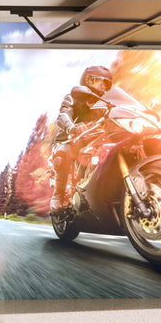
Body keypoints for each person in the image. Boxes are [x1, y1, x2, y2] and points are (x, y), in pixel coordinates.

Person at [50, 65, 113, 212]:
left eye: (106, 83)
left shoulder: (107, 102)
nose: (102, 85)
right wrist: (72, 127)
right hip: (69, 139)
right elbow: (63, 116)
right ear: (87, 81)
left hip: (95, 140)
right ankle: (58, 196)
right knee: (64, 152)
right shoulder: (73, 97)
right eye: (97, 80)